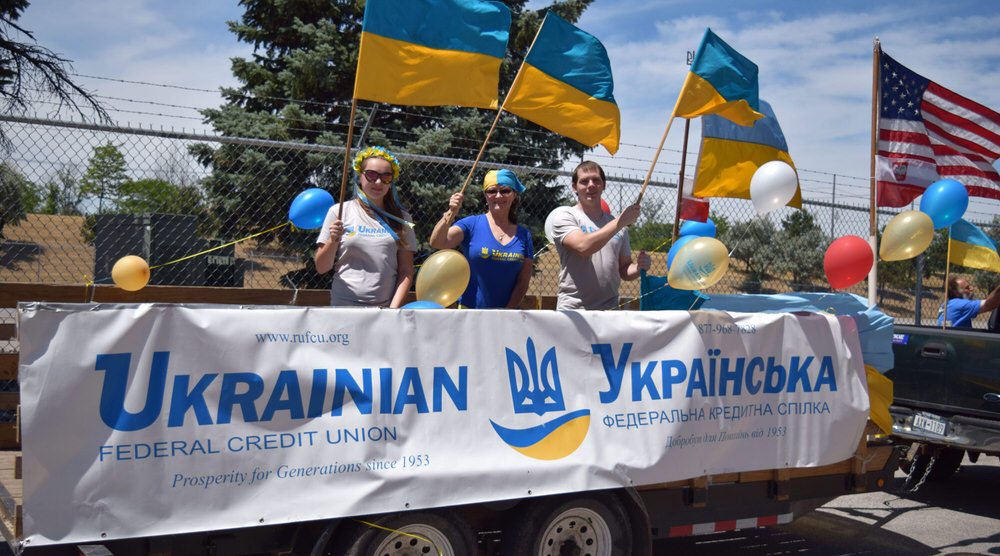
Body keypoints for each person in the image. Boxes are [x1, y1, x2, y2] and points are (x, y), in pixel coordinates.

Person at [315, 146, 416, 307]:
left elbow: (406, 271)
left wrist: (392, 310)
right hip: (343, 307)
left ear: (391, 182)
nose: (378, 182)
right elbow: (321, 267)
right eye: (371, 175)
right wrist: (332, 241)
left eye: (386, 177)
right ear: (359, 178)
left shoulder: (403, 219)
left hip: (383, 310)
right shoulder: (339, 212)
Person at [547, 161, 650, 310]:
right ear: (574, 187)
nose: (591, 185)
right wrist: (619, 223)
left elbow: (624, 269)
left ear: (604, 185)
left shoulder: (618, 226)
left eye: (596, 180)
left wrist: (638, 267)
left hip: (610, 309)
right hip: (574, 310)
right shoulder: (565, 217)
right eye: (584, 181)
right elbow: (583, 246)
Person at [429, 169, 533, 308]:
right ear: (485, 195)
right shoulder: (471, 225)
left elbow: (523, 281)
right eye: (492, 191)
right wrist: (451, 212)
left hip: (507, 316)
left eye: (505, 191)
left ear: (514, 195)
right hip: (470, 313)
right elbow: (437, 242)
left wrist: (507, 312)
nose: (498, 195)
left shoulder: (524, 236)